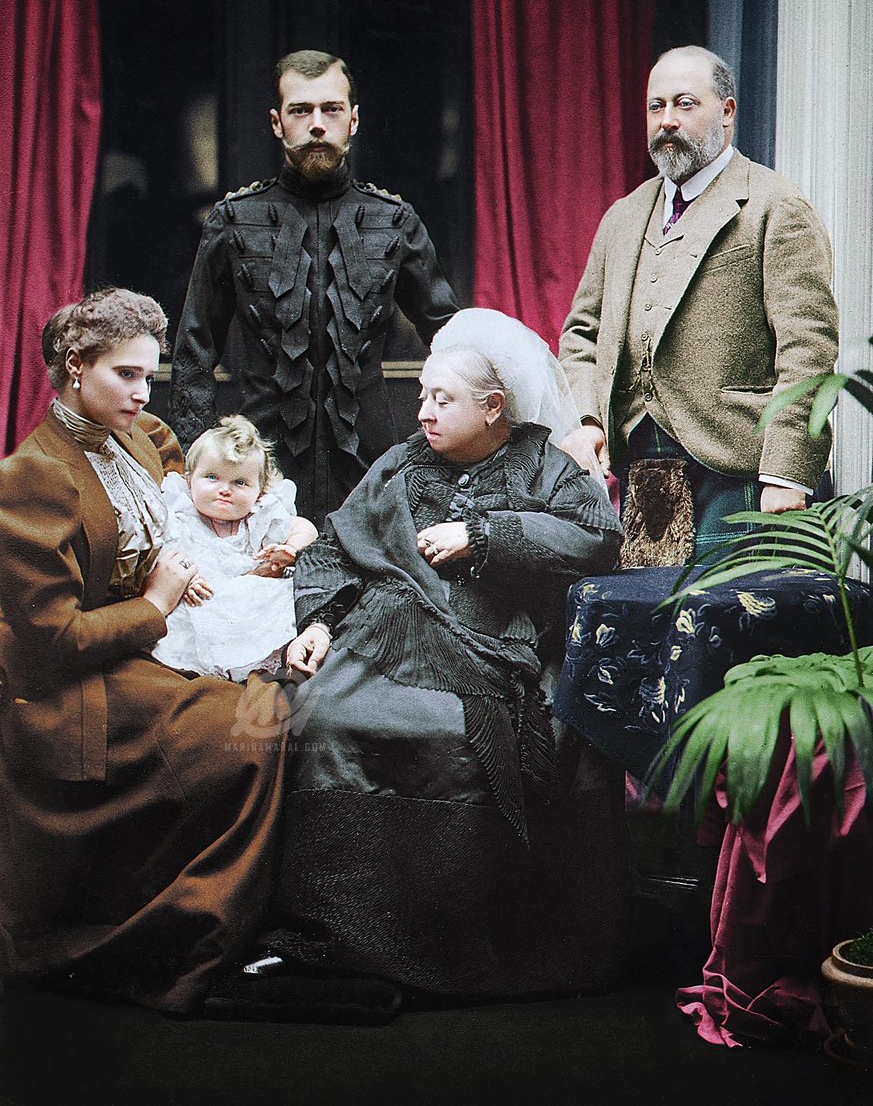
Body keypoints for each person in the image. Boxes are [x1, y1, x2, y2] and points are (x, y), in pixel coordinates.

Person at [207, 309, 629, 1015]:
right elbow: (334, 547)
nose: (424, 412)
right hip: (386, 630)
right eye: (423, 395)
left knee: (456, 734)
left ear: (494, 408)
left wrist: (485, 533)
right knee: (319, 717)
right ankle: (335, 936)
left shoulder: (541, 464)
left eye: (443, 400)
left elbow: (596, 537)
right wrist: (314, 622)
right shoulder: (402, 464)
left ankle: (463, 944)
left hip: (500, 643)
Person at [0, 288, 291, 1015]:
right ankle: (177, 940)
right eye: (126, 375)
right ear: (74, 366)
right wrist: (158, 602)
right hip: (71, 684)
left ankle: (231, 919)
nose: (142, 392)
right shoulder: (32, 476)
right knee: (250, 734)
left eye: (149, 376)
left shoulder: (137, 437)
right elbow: (54, 640)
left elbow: (191, 499)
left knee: (271, 707)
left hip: (136, 652)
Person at [559, 45, 839, 559]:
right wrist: (588, 420)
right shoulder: (623, 217)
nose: (667, 121)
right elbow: (581, 333)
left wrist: (788, 471)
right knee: (654, 628)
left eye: (685, 104)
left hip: (744, 472)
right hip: (642, 475)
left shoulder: (776, 207)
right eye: (656, 106)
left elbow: (809, 352)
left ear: (727, 113)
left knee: (736, 632)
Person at [170, 48, 459, 529]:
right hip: (256, 472)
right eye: (300, 110)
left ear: (354, 120)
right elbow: (193, 354)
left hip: (372, 469)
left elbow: (451, 339)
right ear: (277, 123)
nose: (317, 124)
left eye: (332, 109)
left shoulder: (394, 221)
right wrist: (200, 468)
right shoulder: (233, 221)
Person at [152, 414, 317, 681]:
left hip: (252, 604)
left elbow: (306, 528)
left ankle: (256, 667)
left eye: (240, 483)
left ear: (260, 492)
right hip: (203, 602)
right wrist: (185, 577)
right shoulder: (180, 515)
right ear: (189, 480)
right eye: (212, 477)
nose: (224, 490)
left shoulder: (261, 515)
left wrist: (290, 549)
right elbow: (161, 553)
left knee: (281, 599)